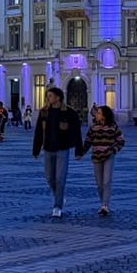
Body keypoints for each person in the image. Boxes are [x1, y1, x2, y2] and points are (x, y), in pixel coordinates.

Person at [32, 87, 83, 218]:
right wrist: (36, 149)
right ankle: (58, 196)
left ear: (58, 97)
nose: (48, 98)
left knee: (60, 179)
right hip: (48, 149)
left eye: (50, 96)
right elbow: (39, 131)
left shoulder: (69, 112)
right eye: (47, 96)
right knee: (49, 177)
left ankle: (57, 206)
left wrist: (79, 150)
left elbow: (76, 132)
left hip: (62, 149)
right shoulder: (44, 112)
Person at [82, 105, 125, 216]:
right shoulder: (93, 128)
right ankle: (102, 202)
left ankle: (105, 205)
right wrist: (81, 153)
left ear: (104, 116)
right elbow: (87, 142)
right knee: (99, 183)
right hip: (96, 157)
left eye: (99, 113)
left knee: (106, 181)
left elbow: (121, 141)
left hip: (108, 156)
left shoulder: (113, 127)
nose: (97, 115)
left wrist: (113, 150)